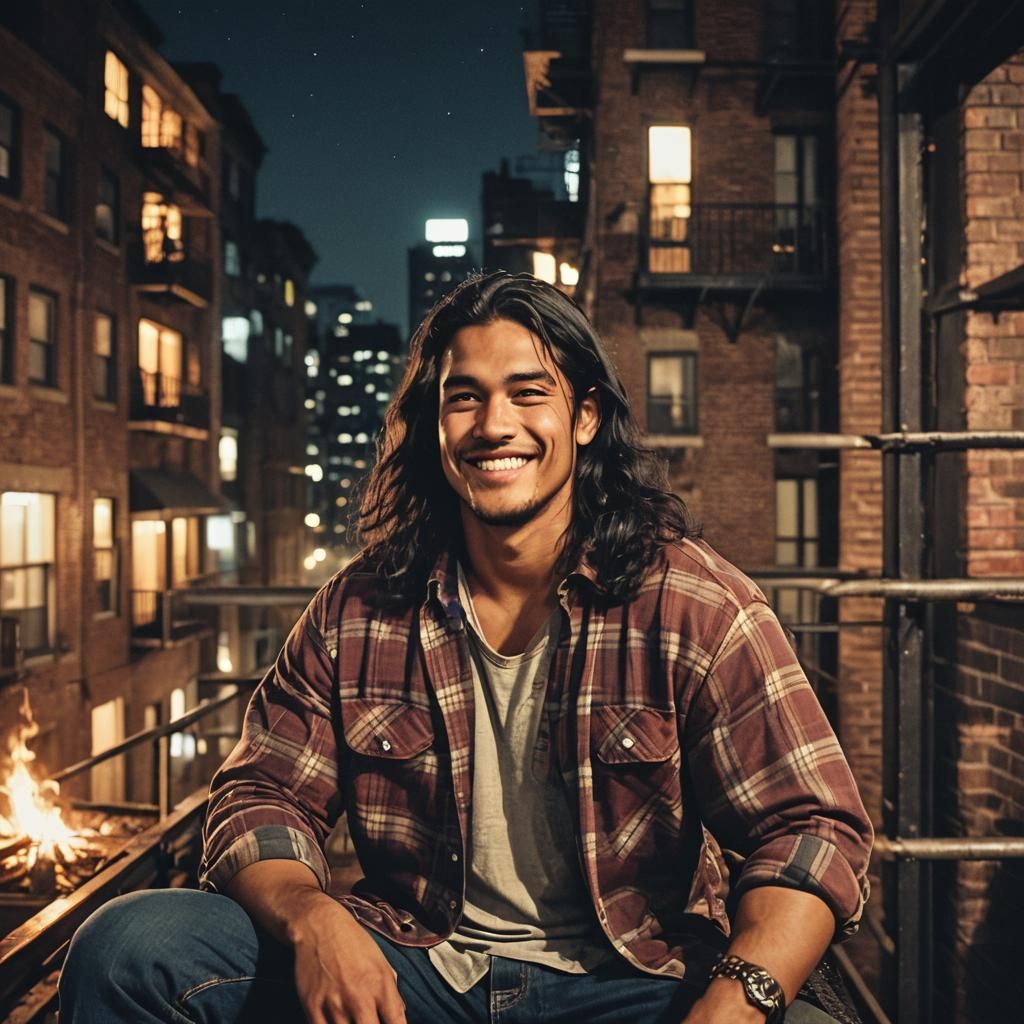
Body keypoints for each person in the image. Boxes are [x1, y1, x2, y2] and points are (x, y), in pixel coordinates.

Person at [60, 272, 872, 1024]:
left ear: (584, 416)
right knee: (133, 948)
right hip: (415, 967)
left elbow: (811, 829)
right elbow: (259, 795)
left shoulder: (695, 602)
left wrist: (740, 999)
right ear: (434, 424)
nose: (494, 426)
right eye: (464, 399)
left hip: (632, 980)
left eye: (528, 394)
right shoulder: (359, 609)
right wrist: (313, 916)